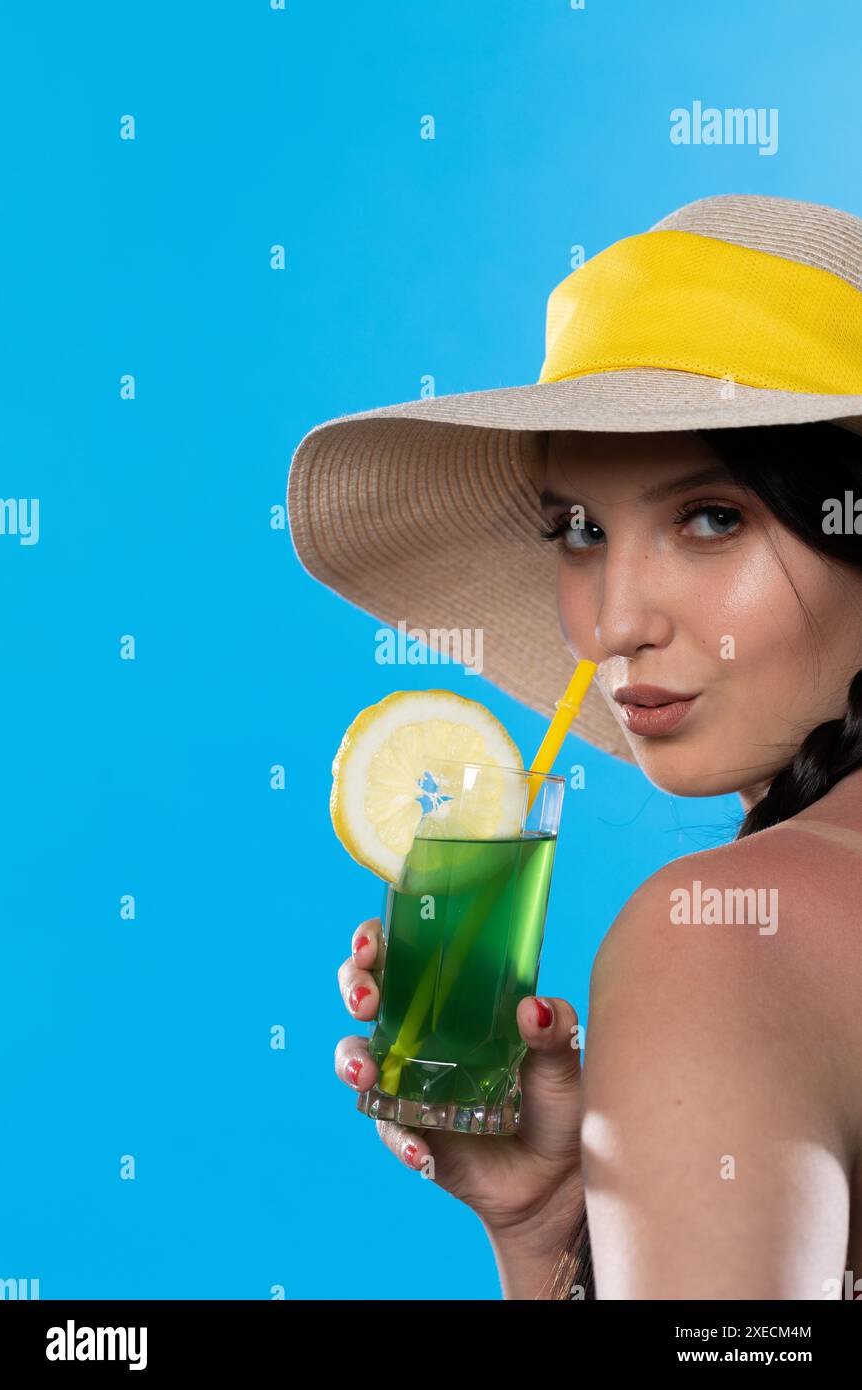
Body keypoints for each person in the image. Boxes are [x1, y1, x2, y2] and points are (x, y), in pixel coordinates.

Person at [288, 193, 862, 1299]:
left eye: (709, 516)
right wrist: (552, 1232)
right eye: (577, 531)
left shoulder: (719, 942)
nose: (609, 625)